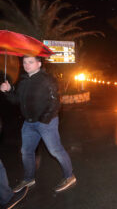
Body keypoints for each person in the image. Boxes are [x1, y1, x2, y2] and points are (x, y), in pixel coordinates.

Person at [0, 56, 76, 193]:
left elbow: (55, 102)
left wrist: (44, 119)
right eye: (24, 62)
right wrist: (8, 90)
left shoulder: (47, 79)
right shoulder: (23, 80)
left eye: (30, 62)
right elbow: (17, 100)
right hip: (28, 123)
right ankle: (29, 178)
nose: (27, 65)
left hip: (46, 123)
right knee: (26, 151)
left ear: (39, 64)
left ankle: (69, 176)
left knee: (55, 150)